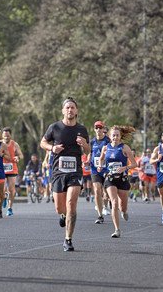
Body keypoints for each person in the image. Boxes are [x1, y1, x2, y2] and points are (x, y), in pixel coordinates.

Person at [40, 97, 90, 252]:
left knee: (71, 204)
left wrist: (85, 145)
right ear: (63, 110)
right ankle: (62, 216)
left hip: (75, 171)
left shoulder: (82, 130)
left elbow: (88, 151)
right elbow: (42, 142)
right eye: (67, 107)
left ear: (77, 111)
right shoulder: (54, 127)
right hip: (58, 171)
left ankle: (68, 239)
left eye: (73, 107)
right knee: (60, 207)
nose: (70, 110)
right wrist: (51, 148)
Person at [98, 126, 137, 238]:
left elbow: (134, 164)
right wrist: (100, 166)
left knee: (122, 206)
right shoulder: (105, 148)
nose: (115, 137)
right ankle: (117, 229)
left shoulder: (125, 148)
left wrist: (125, 168)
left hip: (122, 179)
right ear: (109, 136)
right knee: (114, 202)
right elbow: (101, 159)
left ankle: (124, 211)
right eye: (113, 135)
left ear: (120, 137)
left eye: (117, 135)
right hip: (110, 178)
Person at [89, 121, 111, 223]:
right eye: (96, 128)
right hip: (95, 169)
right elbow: (90, 153)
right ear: (94, 129)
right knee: (97, 190)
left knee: (106, 192)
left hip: (106, 169)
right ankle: (100, 215)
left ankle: (106, 206)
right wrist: (86, 161)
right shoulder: (92, 142)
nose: (98, 129)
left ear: (103, 129)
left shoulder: (108, 141)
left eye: (100, 128)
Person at [1, 127, 24, 215]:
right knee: (2, 189)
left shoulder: (15, 144)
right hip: (1, 168)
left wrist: (18, 157)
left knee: (11, 189)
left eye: (8, 136)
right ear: (2, 136)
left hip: (12, 168)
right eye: (4, 136)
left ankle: (10, 208)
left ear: (10, 135)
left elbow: (21, 155)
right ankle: (3, 197)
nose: (6, 137)